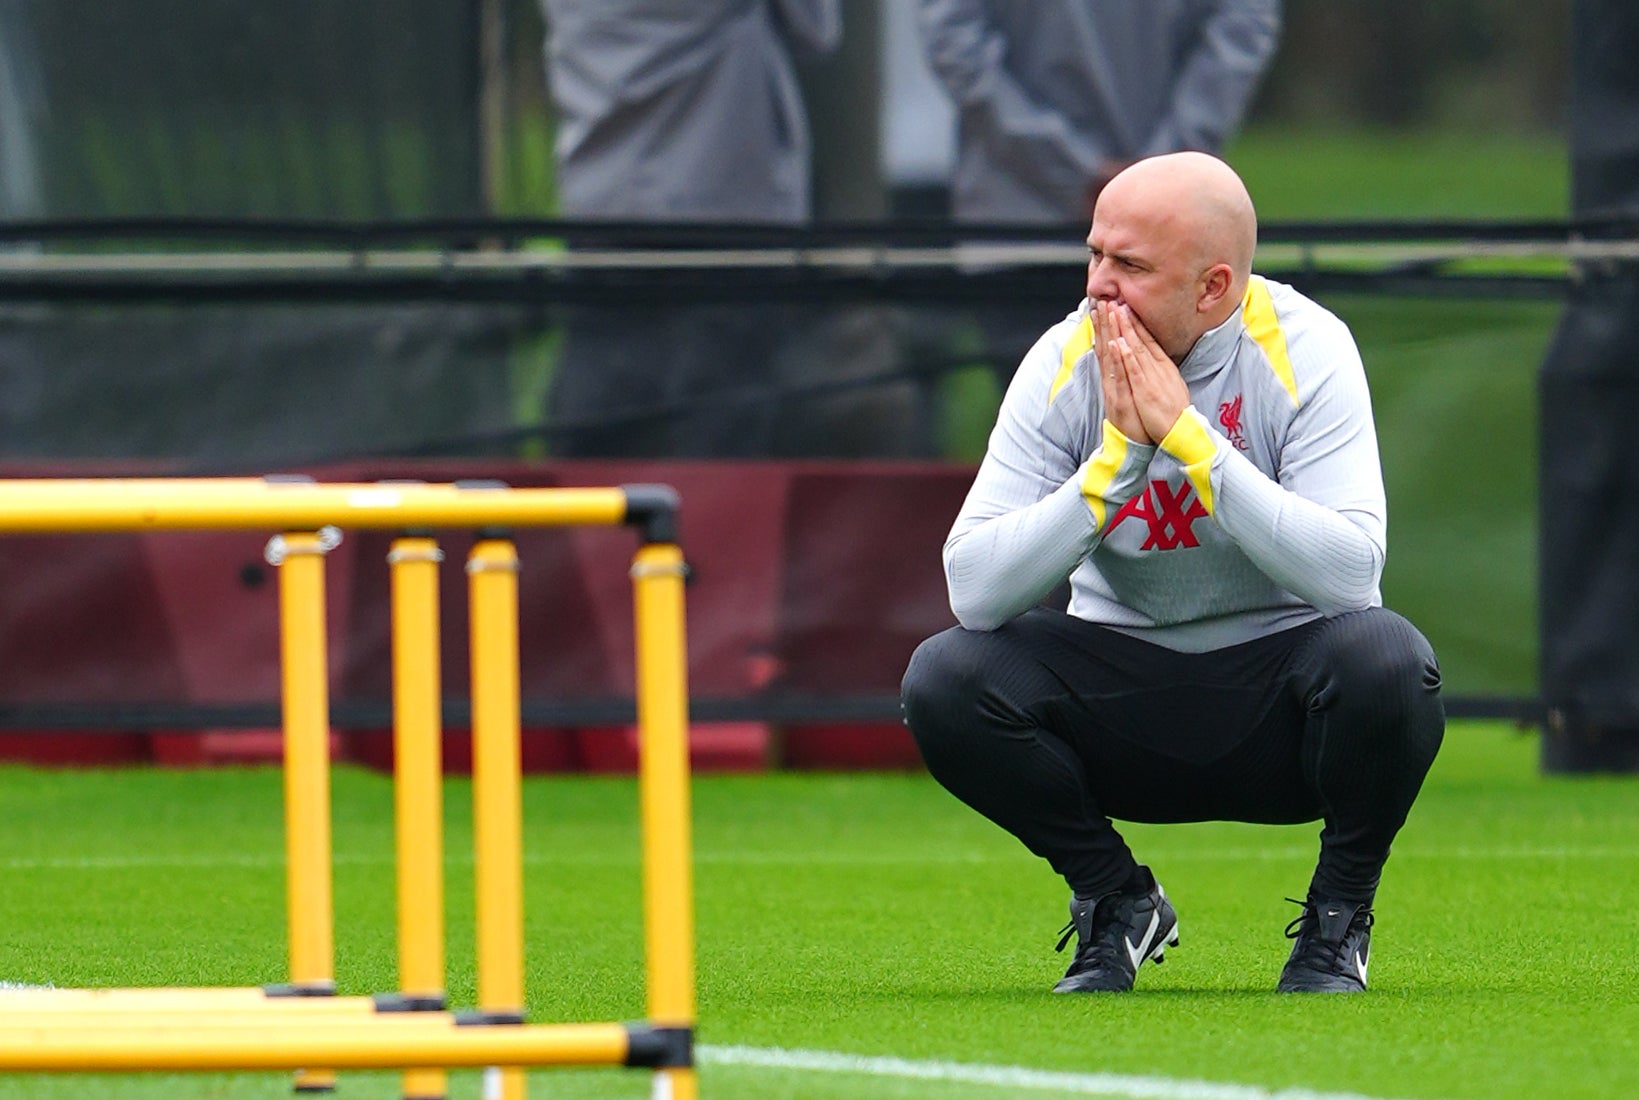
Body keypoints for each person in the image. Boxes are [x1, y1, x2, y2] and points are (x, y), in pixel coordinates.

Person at [899, 152, 1445, 994]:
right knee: (943, 677)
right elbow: (973, 591)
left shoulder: (1308, 347)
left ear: (1214, 287)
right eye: (1094, 254)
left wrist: (1191, 441)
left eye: (1130, 266)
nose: (1096, 289)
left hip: (1281, 708)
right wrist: (1115, 464)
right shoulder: (1062, 359)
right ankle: (1116, 898)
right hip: (1119, 695)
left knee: (1389, 661)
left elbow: (1349, 577)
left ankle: (1338, 923)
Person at [914, 0, 1282, 395]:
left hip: (1021, 213)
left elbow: (955, 40)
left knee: (1042, 420)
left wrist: (1078, 171)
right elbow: (1244, 25)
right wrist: (1162, 169)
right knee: (1179, 415)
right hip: (1153, 227)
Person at [538, 0, 854, 457]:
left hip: (604, 211)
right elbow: (817, 30)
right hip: (727, 221)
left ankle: (595, 528)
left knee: (602, 426)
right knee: (720, 436)